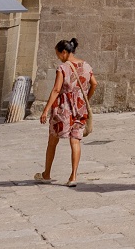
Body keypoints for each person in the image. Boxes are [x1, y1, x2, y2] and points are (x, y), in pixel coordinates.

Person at [36, 38, 96, 186]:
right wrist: (85, 98)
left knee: (52, 141)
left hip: (64, 110)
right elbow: (94, 83)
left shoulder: (63, 68)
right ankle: (73, 177)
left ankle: (47, 174)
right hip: (80, 109)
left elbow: (56, 90)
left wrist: (45, 110)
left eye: (58, 54)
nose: (58, 57)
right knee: (75, 141)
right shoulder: (86, 66)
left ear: (64, 52)